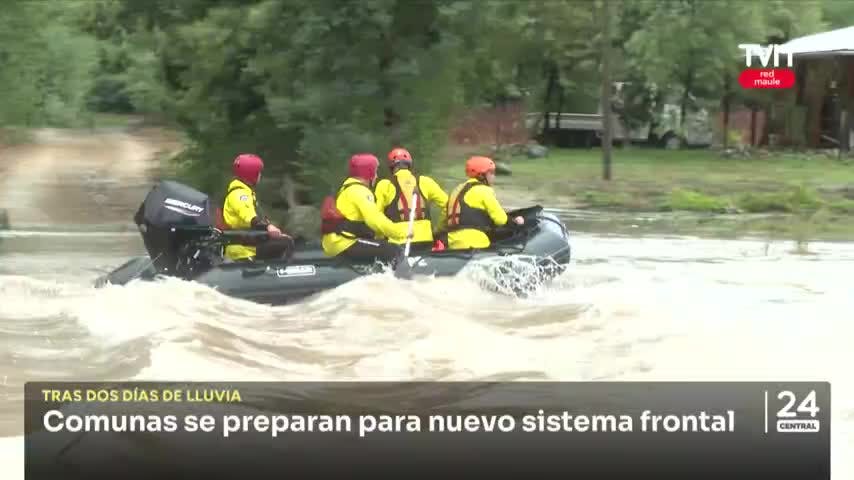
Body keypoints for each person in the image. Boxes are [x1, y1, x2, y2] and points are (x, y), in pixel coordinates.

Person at [320, 153, 408, 262]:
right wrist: (401, 233)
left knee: (378, 245)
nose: (376, 176)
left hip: (335, 243)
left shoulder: (347, 188)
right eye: (375, 172)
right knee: (394, 250)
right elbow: (375, 220)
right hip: (345, 242)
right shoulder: (360, 191)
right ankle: (404, 279)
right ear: (369, 173)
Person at [218, 153, 293, 261]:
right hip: (243, 250)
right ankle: (278, 273)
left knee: (284, 239)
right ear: (251, 174)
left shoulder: (245, 192)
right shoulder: (240, 194)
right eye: (258, 173)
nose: (260, 175)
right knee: (286, 243)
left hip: (250, 244)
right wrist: (268, 227)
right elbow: (248, 216)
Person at [373, 147, 448, 252]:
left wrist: (379, 238)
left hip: (398, 243)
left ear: (391, 167)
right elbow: (449, 206)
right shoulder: (426, 182)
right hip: (426, 240)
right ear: (409, 165)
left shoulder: (385, 185)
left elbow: (376, 216)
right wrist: (439, 229)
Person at [443, 155, 524, 250]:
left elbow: (444, 217)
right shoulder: (484, 190)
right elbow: (500, 219)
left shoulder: (456, 190)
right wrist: (515, 221)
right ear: (481, 175)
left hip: (452, 243)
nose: (494, 176)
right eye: (491, 172)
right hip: (476, 243)